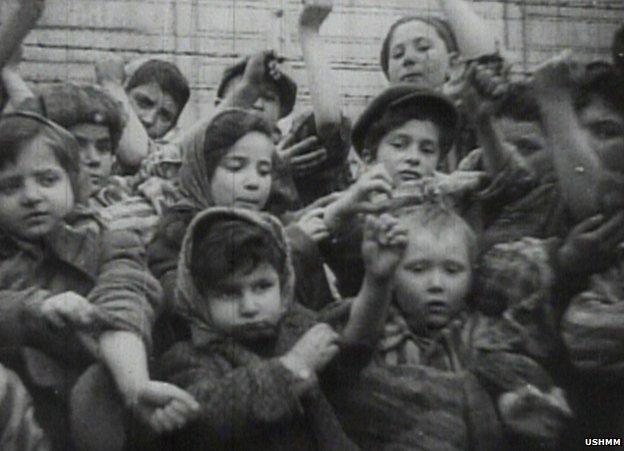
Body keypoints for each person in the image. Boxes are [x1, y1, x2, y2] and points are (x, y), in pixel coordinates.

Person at [0, 112, 197, 450]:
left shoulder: (107, 240)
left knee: (95, 386)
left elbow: (125, 294)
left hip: (111, 401)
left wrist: (134, 384)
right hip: (24, 419)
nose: (31, 196)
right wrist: (38, 307)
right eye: (10, 186)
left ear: (73, 183)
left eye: (47, 180)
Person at [156, 205, 407, 450]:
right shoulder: (188, 358)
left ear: (283, 283)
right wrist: (293, 368)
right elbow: (205, 416)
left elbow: (349, 349)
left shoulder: (295, 326)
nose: (249, 306)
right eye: (229, 294)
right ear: (199, 297)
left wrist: (377, 281)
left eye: (262, 286)